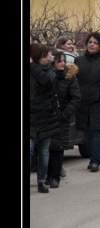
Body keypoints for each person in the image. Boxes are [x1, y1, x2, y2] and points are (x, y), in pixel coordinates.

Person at [74, 32, 100, 171]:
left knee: (97, 131)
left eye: (95, 43)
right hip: (83, 103)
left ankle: (95, 161)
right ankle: (92, 157)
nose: (92, 45)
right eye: (90, 42)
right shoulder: (79, 61)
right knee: (86, 132)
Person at [47, 50, 81, 188]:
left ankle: (55, 176)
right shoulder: (47, 76)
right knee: (44, 148)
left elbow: (76, 98)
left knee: (57, 148)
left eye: (63, 60)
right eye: (59, 61)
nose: (62, 63)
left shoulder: (70, 77)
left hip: (62, 118)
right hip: (47, 117)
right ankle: (45, 175)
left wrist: (64, 114)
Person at [30, 44, 60, 193]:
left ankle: (41, 180)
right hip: (30, 116)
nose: (49, 59)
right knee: (29, 150)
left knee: (44, 151)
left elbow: (45, 81)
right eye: (44, 56)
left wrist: (31, 65)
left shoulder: (50, 71)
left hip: (46, 115)